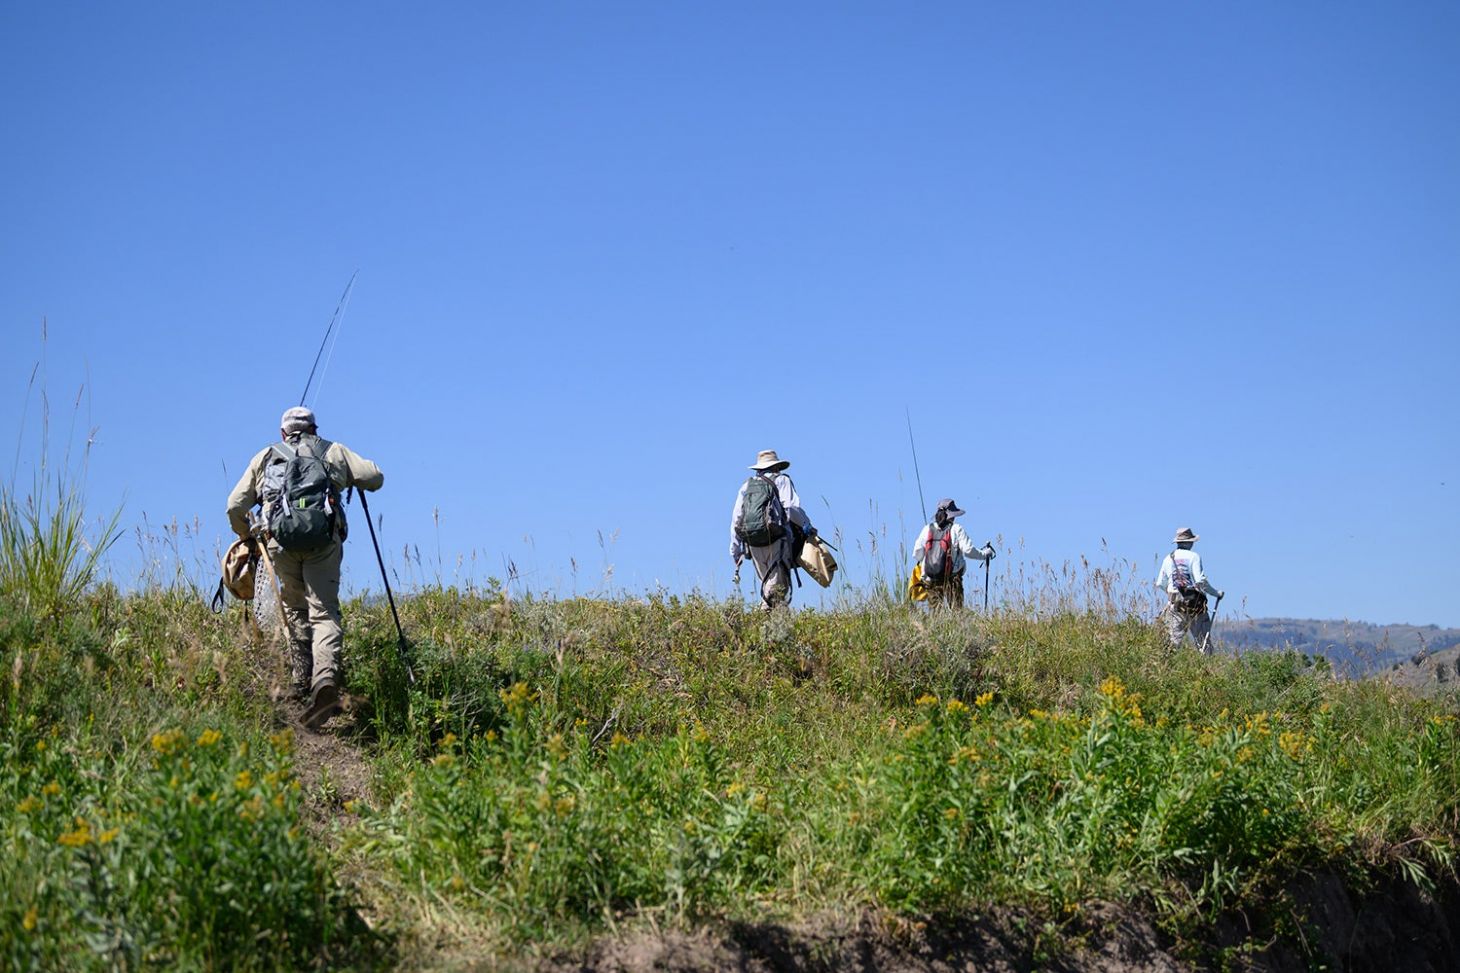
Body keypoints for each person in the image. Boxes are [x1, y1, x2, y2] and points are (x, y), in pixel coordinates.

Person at [227, 406, 384, 727]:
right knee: (324, 611)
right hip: (323, 539)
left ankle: (301, 679)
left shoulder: (266, 456)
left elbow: (235, 505)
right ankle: (325, 680)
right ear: (314, 428)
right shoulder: (333, 450)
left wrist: (247, 536)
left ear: (283, 433)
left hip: (279, 542)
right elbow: (374, 477)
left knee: (295, 609)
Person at [730, 450, 815, 611]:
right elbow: (790, 508)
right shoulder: (782, 480)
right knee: (776, 587)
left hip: (753, 541)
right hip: (778, 538)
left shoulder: (747, 485)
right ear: (776, 466)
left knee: (769, 583)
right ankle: (764, 618)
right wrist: (806, 525)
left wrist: (735, 550)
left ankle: (777, 626)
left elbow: (736, 518)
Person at [911, 499, 995, 608]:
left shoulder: (927, 529)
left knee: (936, 615)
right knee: (957, 612)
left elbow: (916, 554)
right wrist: (984, 554)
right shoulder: (956, 529)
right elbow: (968, 551)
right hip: (953, 578)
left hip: (931, 579)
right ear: (952, 515)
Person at [1155, 526, 1224, 651]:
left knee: (1173, 644)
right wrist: (1216, 593)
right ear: (1188, 542)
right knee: (1203, 643)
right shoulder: (1193, 556)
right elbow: (1200, 581)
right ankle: (1206, 668)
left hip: (1174, 604)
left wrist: (1172, 593)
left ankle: (1167, 668)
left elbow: (1160, 583)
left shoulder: (1167, 558)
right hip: (1195, 604)